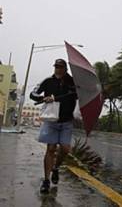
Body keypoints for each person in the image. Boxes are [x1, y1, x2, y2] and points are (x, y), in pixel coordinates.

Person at [30, 59, 77, 194]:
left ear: (65, 68)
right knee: (50, 148)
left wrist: (74, 92)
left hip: (67, 121)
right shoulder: (47, 81)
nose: (58, 69)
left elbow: (78, 95)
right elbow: (33, 93)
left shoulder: (73, 83)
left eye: (61, 67)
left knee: (65, 149)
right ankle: (46, 180)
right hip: (51, 121)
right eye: (56, 66)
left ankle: (56, 168)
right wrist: (42, 98)